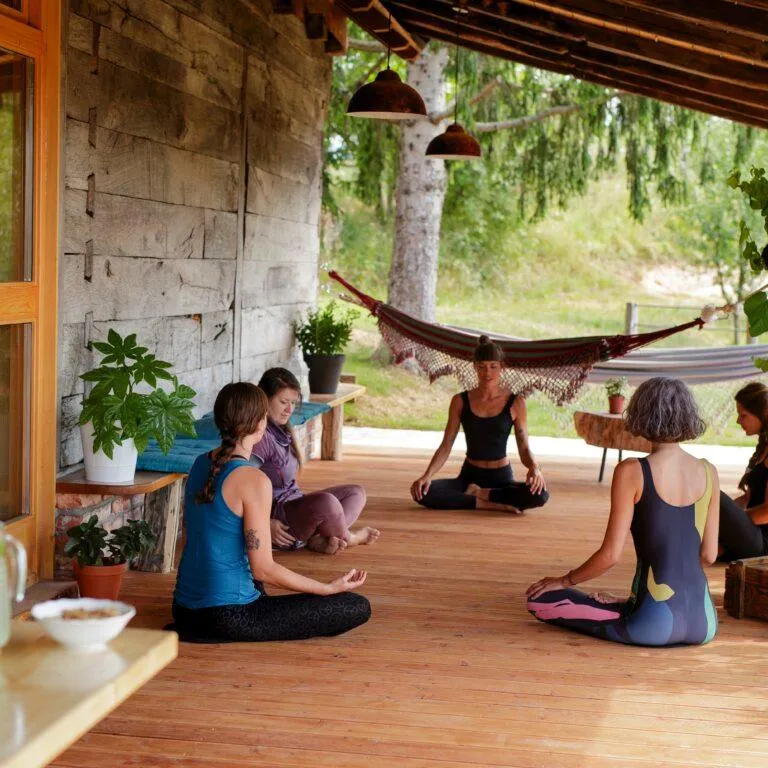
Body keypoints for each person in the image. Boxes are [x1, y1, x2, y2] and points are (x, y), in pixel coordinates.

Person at [171, 382, 371, 643]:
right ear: (259, 424)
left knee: (253, 583)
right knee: (355, 605)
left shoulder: (200, 464)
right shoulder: (254, 480)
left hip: (184, 610)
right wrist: (327, 588)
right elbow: (263, 569)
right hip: (228, 616)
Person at [526, 377, 719, 647]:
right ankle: (635, 604)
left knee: (541, 600)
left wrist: (565, 580)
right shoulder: (709, 471)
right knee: (622, 604)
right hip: (704, 623)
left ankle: (635, 607)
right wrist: (628, 599)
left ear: (642, 414)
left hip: (652, 625)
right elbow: (709, 555)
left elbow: (610, 556)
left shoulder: (632, 471)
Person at [410, 335, 549, 513]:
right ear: (475, 367)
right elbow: (446, 445)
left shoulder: (516, 402)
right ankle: (488, 503)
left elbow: (524, 447)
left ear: (502, 367)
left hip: (501, 478)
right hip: (469, 476)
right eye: (482, 367)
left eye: (493, 367)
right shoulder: (460, 401)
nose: (487, 373)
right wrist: (427, 475)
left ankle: (480, 494)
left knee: (540, 495)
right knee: (422, 492)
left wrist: (534, 468)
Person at [253, 368, 380, 555]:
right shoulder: (260, 438)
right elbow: (238, 485)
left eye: (293, 403)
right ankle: (350, 538)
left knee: (355, 493)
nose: (289, 409)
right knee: (327, 503)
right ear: (264, 399)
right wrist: (264, 524)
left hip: (295, 506)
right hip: (281, 523)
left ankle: (316, 538)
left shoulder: (281, 429)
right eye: (283, 402)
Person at [718, 382, 768, 559]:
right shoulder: (763, 449)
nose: (738, 421)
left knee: (711, 493)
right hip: (753, 535)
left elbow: (766, 513)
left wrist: (734, 523)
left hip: (763, 543)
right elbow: (748, 498)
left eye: (743, 415)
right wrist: (730, 518)